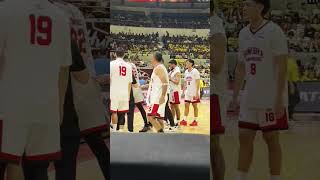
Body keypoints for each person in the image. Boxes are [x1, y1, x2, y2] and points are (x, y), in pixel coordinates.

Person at [0, 1, 71, 180]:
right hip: (46, 108)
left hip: (10, 106)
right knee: (38, 170)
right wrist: (60, 106)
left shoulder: (6, 10)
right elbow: (64, 68)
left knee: (8, 162)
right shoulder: (61, 16)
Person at [231, 1, 289, 180]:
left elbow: (282, 66)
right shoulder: (243, 33)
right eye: (244, 5)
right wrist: (235, 95)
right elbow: (241, 67)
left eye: (248, 4)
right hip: (249, 97)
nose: (244, 8)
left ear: (260, 7)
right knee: (244, 137)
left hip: (269, 98)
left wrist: (279, 98)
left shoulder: (274, 31)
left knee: (271, 140)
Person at [210, 1, 227, 179]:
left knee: (213, 144)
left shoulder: (215, 27)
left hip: (212, 92)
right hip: (195, 89)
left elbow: (216, 65)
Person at [146, 52, 169, 133]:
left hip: (157, 97)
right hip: (158, 96)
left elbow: (165, 82)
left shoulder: (159, 68)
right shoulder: (160, 67)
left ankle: (160, 133)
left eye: (152, 57)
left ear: (155, 59)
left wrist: (162, 95)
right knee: (159, 118)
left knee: (150, 117)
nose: (151, 59)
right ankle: (161, 137)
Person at [110, 49, 132, 132]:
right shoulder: (129, 66)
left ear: (115, 54)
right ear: (124, 55)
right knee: (122, 112)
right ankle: (121, 131)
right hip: (125, 92)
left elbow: (110, 79)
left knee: (114, 112)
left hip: (114, 91)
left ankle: (115, 130)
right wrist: (128, 95)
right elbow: (130, 82)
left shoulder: (111, 64)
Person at [180, 59, 201, 127]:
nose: (186, 64)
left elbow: (198, 82)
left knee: (195, 106)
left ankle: (195, 120)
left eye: (187, 63)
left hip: (194, 92)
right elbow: (185, 82)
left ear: (191, 64)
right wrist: (183, 91)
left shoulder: (195, 71)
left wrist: (197, 92)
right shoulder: (186, 71)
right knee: (186, 105)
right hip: (188, 92)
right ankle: (184, 120)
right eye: (186, 63)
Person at [168, 60, 181, 126]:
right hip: (171, 91)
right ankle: (172, 121)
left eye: (170, 65)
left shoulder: (177, 71)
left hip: (175, 91)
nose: (169, 66)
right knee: (171, 107)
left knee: (176, 107)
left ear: (173, 64)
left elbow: (177, 81)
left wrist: (170, 79)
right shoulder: (171, 71)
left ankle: (178, 121)